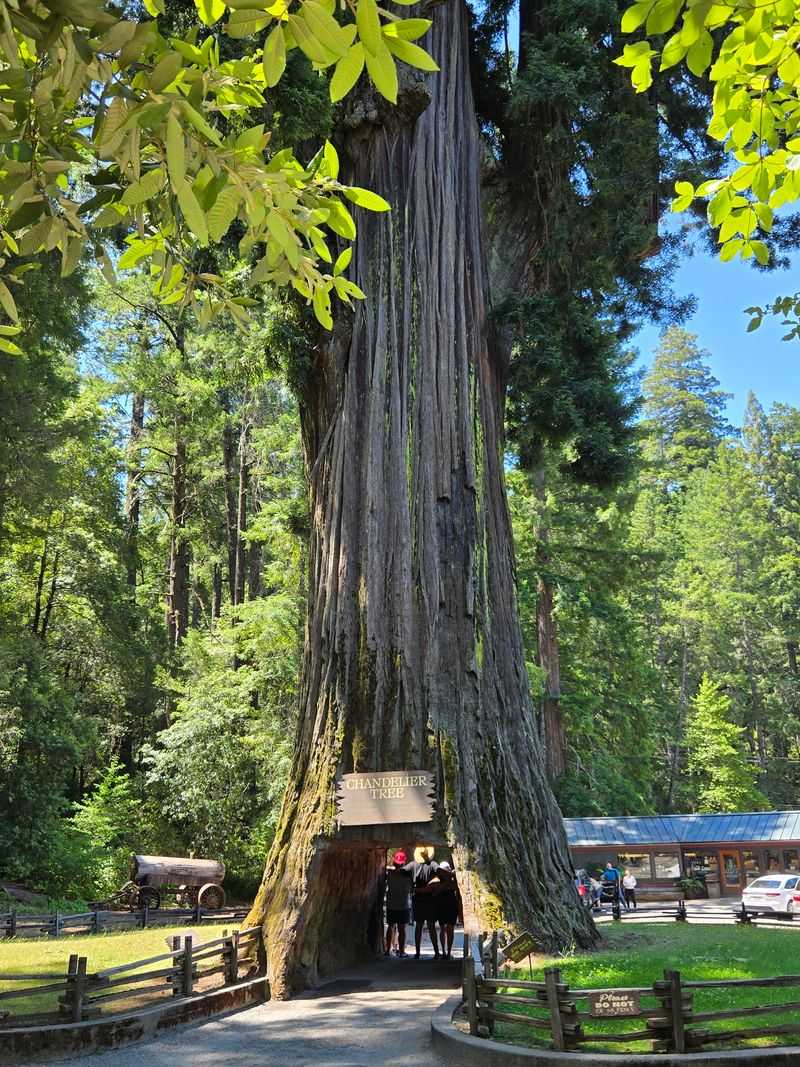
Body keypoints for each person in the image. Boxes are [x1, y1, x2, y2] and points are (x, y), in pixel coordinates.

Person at [411, 845, 439, 959]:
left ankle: (417, 953)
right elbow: (440, 874)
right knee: (430, 926)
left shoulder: (414, 865)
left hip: (418, 899)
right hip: (429, 899)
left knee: (419, 926)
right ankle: (436, 952)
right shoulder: (433, 865)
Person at [385, 850, 413, 957]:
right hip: (403, 905)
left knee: (390, 926)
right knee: (402, 929)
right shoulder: (407, 876)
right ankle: (401, 951)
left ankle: (388, 950)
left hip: (391, 904)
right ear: (404, 863)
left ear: (394, 862)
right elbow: (410, 889)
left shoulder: (389, 874)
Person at [433, 861, 461, 958]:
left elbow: (458, 890)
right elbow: (435, 893)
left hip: (451, 907)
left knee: (450, 929)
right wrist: (446, 883)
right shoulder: (437, 882)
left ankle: (448, 951)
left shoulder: (454, 882)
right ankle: (444, 952)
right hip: (442, 906)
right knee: (442, 929)